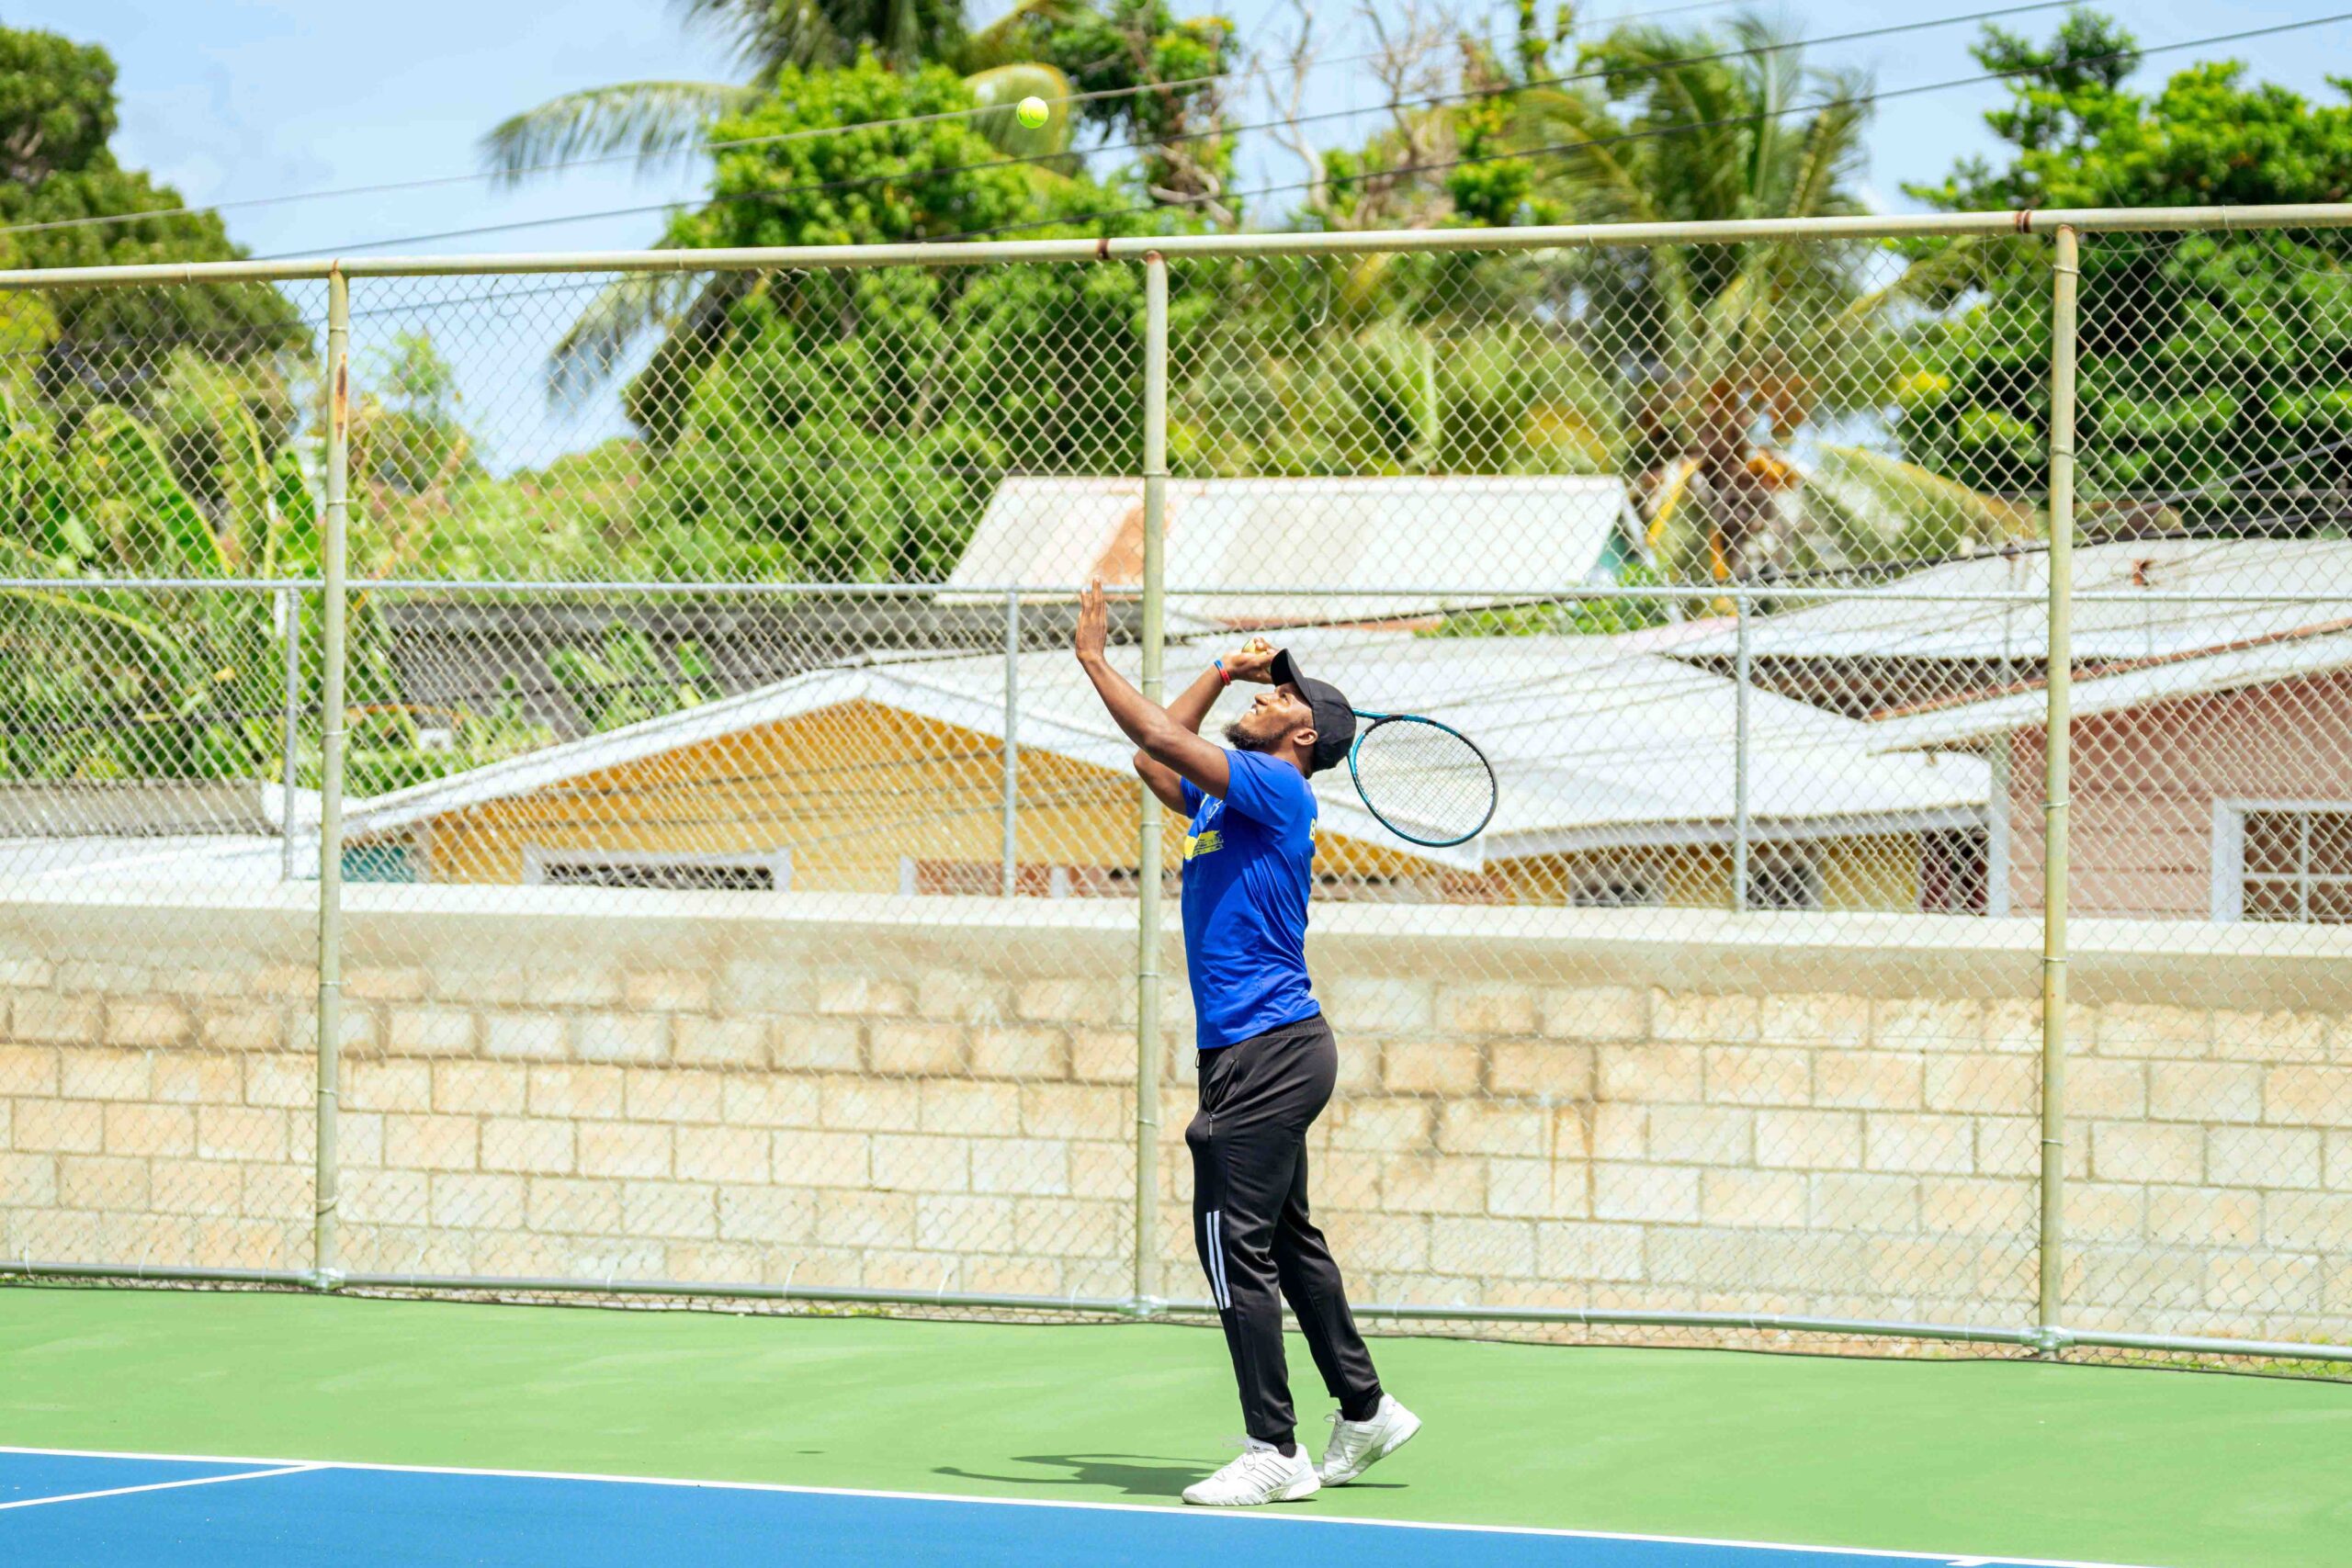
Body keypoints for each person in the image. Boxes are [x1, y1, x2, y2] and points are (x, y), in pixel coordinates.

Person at [1071, 580, 1420, 1507]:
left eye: (1278, 695)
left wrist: (1095, 662)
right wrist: (1223, 671)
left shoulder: (1275, 787)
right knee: (1287, 1241)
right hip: (1265, 1048)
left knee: (1232, 1241)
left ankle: (1276, 1448)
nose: (1264, 697)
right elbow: (1151, 758)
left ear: (1301, 735)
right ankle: (1367, 1407)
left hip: (1267, 1050)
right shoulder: (1230, 803)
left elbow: (1156, 734)